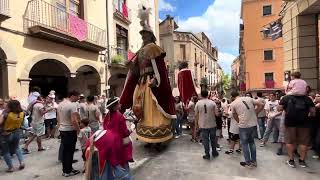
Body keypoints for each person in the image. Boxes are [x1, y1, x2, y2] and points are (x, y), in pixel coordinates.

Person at [119, 6, 176, 144]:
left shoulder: (154, 48)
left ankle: (158, 137)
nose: (143, 36)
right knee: (141, 109)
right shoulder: (139, 52)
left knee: (153, 109)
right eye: (142, 35)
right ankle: (146, 136)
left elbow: (160, 70)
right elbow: (137, 72)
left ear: (151, 36)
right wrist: (131, 66)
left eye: (145, 35)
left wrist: (156, 81)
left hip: (151, 84)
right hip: (141, 84)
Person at [278, 93, 316, 168]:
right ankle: (302, 161)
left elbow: (279, 109)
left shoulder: (286, 98)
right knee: (304, 142)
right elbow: (313, 112)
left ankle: (291, 160)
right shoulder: (308, 99)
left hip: (290, 122)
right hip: (304, 123)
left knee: (289, 141)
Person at [230, 91, 263, 168]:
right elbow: (261, 104)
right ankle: (254, 161)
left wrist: (239, 121)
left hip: (243, 126)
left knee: (244, 144)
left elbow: (234, 115)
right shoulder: (249, 98)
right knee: (252, 143)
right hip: (253, 124)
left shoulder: (233, 103)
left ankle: (248, 162)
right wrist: (256, 113)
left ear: (232, 97)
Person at [103, 97, 134, 166]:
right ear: (114, 107)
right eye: (119, 104)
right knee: (121, 160)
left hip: (109, 141)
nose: (120, 104)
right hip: (118, 142)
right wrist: (131, 128)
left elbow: (104, 127)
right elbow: (125, 132)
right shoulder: (120, 116)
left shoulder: (107, 115)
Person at [57, 91, 81, 177]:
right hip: (69, 130)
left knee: (65, 151)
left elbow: (58, 118)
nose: (78, 98)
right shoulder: (72, 105)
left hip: (62, 129)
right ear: (72, 96)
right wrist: (78, 130)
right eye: (77, 96)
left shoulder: (60, 104)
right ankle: (68, 171)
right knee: (69, 151)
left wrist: (59, 127)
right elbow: (74, 120)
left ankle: (66, 169)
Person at [0, 100, 25, 172]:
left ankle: (11, 167)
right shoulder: (22, 113)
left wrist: (2, 114)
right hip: (16, 132)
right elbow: (21, 123)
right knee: (17, 148)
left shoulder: (6, 114)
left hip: (6, 134)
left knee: (5, 151)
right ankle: (22, 162)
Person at [195, 90, 220, 160]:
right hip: (212, 124)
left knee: (205, 140)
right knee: (213, 139)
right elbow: (217, 114)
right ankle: (214, 152)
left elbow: (196, 115)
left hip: (203, 125)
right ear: (208, 95)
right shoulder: (212, 103)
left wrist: (197, 126)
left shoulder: (198, 103)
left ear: (201, 95)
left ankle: (207, 154)